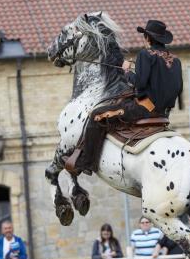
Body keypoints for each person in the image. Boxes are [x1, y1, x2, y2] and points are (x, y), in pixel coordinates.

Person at [66, 19, 183, 175]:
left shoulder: (145, 54)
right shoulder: (175, 60)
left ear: (147, 38)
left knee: (96, 115)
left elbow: (140, 83)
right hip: (164, 113)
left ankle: (87, 162)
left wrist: (126, 70)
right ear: (162, 39)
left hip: (143, 109)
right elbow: (178, 87)